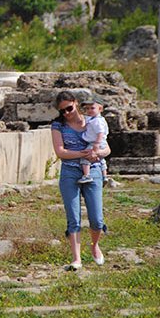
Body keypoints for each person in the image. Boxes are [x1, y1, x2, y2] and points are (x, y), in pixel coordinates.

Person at [51, 90, 110, 271]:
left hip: (93, 170)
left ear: (76, 103)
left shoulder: (92, 119)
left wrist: (96, 153)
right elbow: (60, 151)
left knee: (97, 219)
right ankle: (76, 259)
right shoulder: (57, 125)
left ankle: (94, 245)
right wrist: (81, 154)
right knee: (73, 218)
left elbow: (106, 148)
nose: (67, 113)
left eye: (69, 108)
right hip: (69, 171)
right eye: (62, 111)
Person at [77, 96, 109, 184]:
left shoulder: (97, 121)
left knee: (86, 157)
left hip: (95, 142)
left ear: (100, 109)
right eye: (87, 108)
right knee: (100, 159)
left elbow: (100, 132)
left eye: (92, 108)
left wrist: (96, 144)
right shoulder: (94, 119)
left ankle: (87, 175)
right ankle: (105, 175)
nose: (89, 110)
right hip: (101, 142)